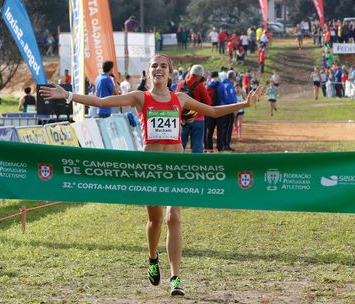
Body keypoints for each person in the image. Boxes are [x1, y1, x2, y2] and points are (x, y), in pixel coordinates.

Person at [40, 54, 263, 297]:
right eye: (154, 65)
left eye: (163, 66)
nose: (158, 69)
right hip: (151, 169)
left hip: (176, 167)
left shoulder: (181, 98)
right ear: (148, 72)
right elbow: (103, 102)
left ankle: (175, 278)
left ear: (170, 73)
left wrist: (245, 104)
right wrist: (69, 95)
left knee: (173, 218)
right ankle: (152, 257)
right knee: (155, 221)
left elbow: (212, 111)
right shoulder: (141, 98)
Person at [175, 64, 211, 153]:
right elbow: (208, 103)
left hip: (183, 118)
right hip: (198, 118)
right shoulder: (200, 86)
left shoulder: (181, 84)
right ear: (201, 75)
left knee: (181, 142)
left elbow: (175, 100)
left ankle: (177, 161)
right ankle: (196, 163)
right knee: (197, 143)